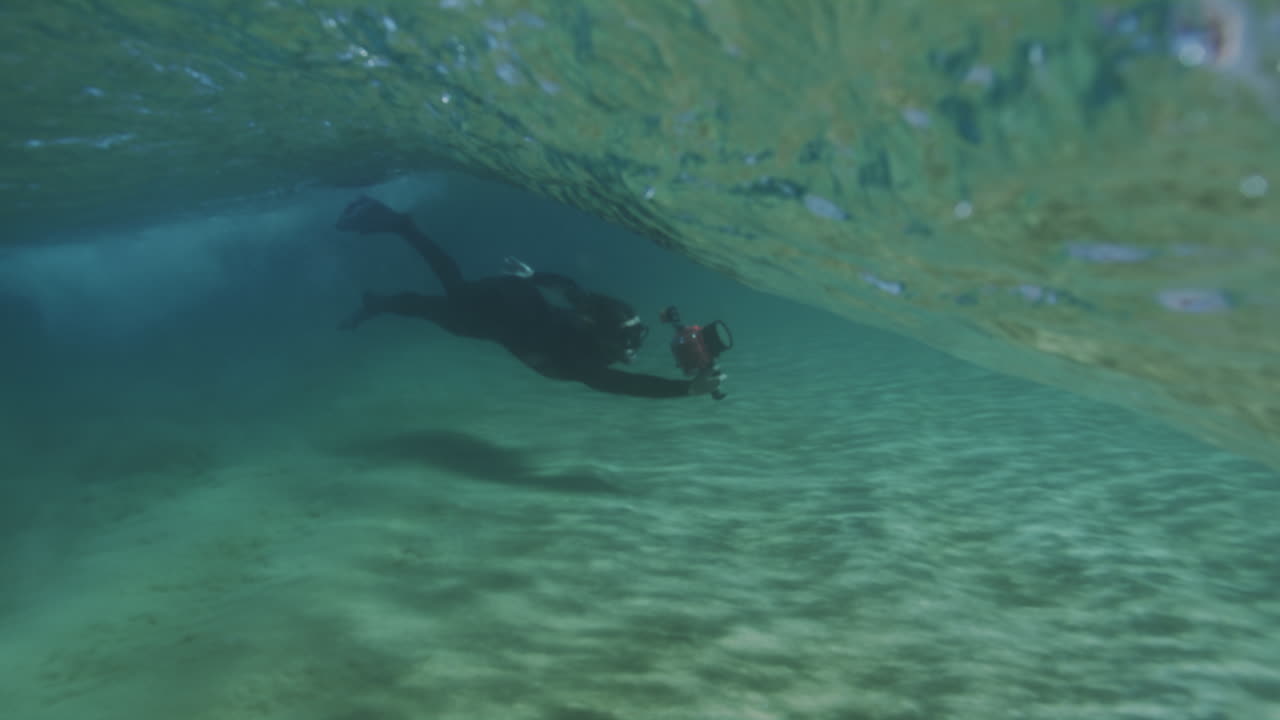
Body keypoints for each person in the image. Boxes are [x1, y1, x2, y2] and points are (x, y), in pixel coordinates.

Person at [335, 195, 725, 399]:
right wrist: (686, 390)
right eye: (626, 339)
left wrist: (533, 276)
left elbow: (572, 290)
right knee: (448, 302)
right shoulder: (582, 360)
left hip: (516, 306)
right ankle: (401, 231)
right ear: (597, 330)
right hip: (502, 313)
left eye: (635, 336)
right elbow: (623, 385)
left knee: (439, 305)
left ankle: (379, 298)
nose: (633, 349)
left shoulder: (602, 320)